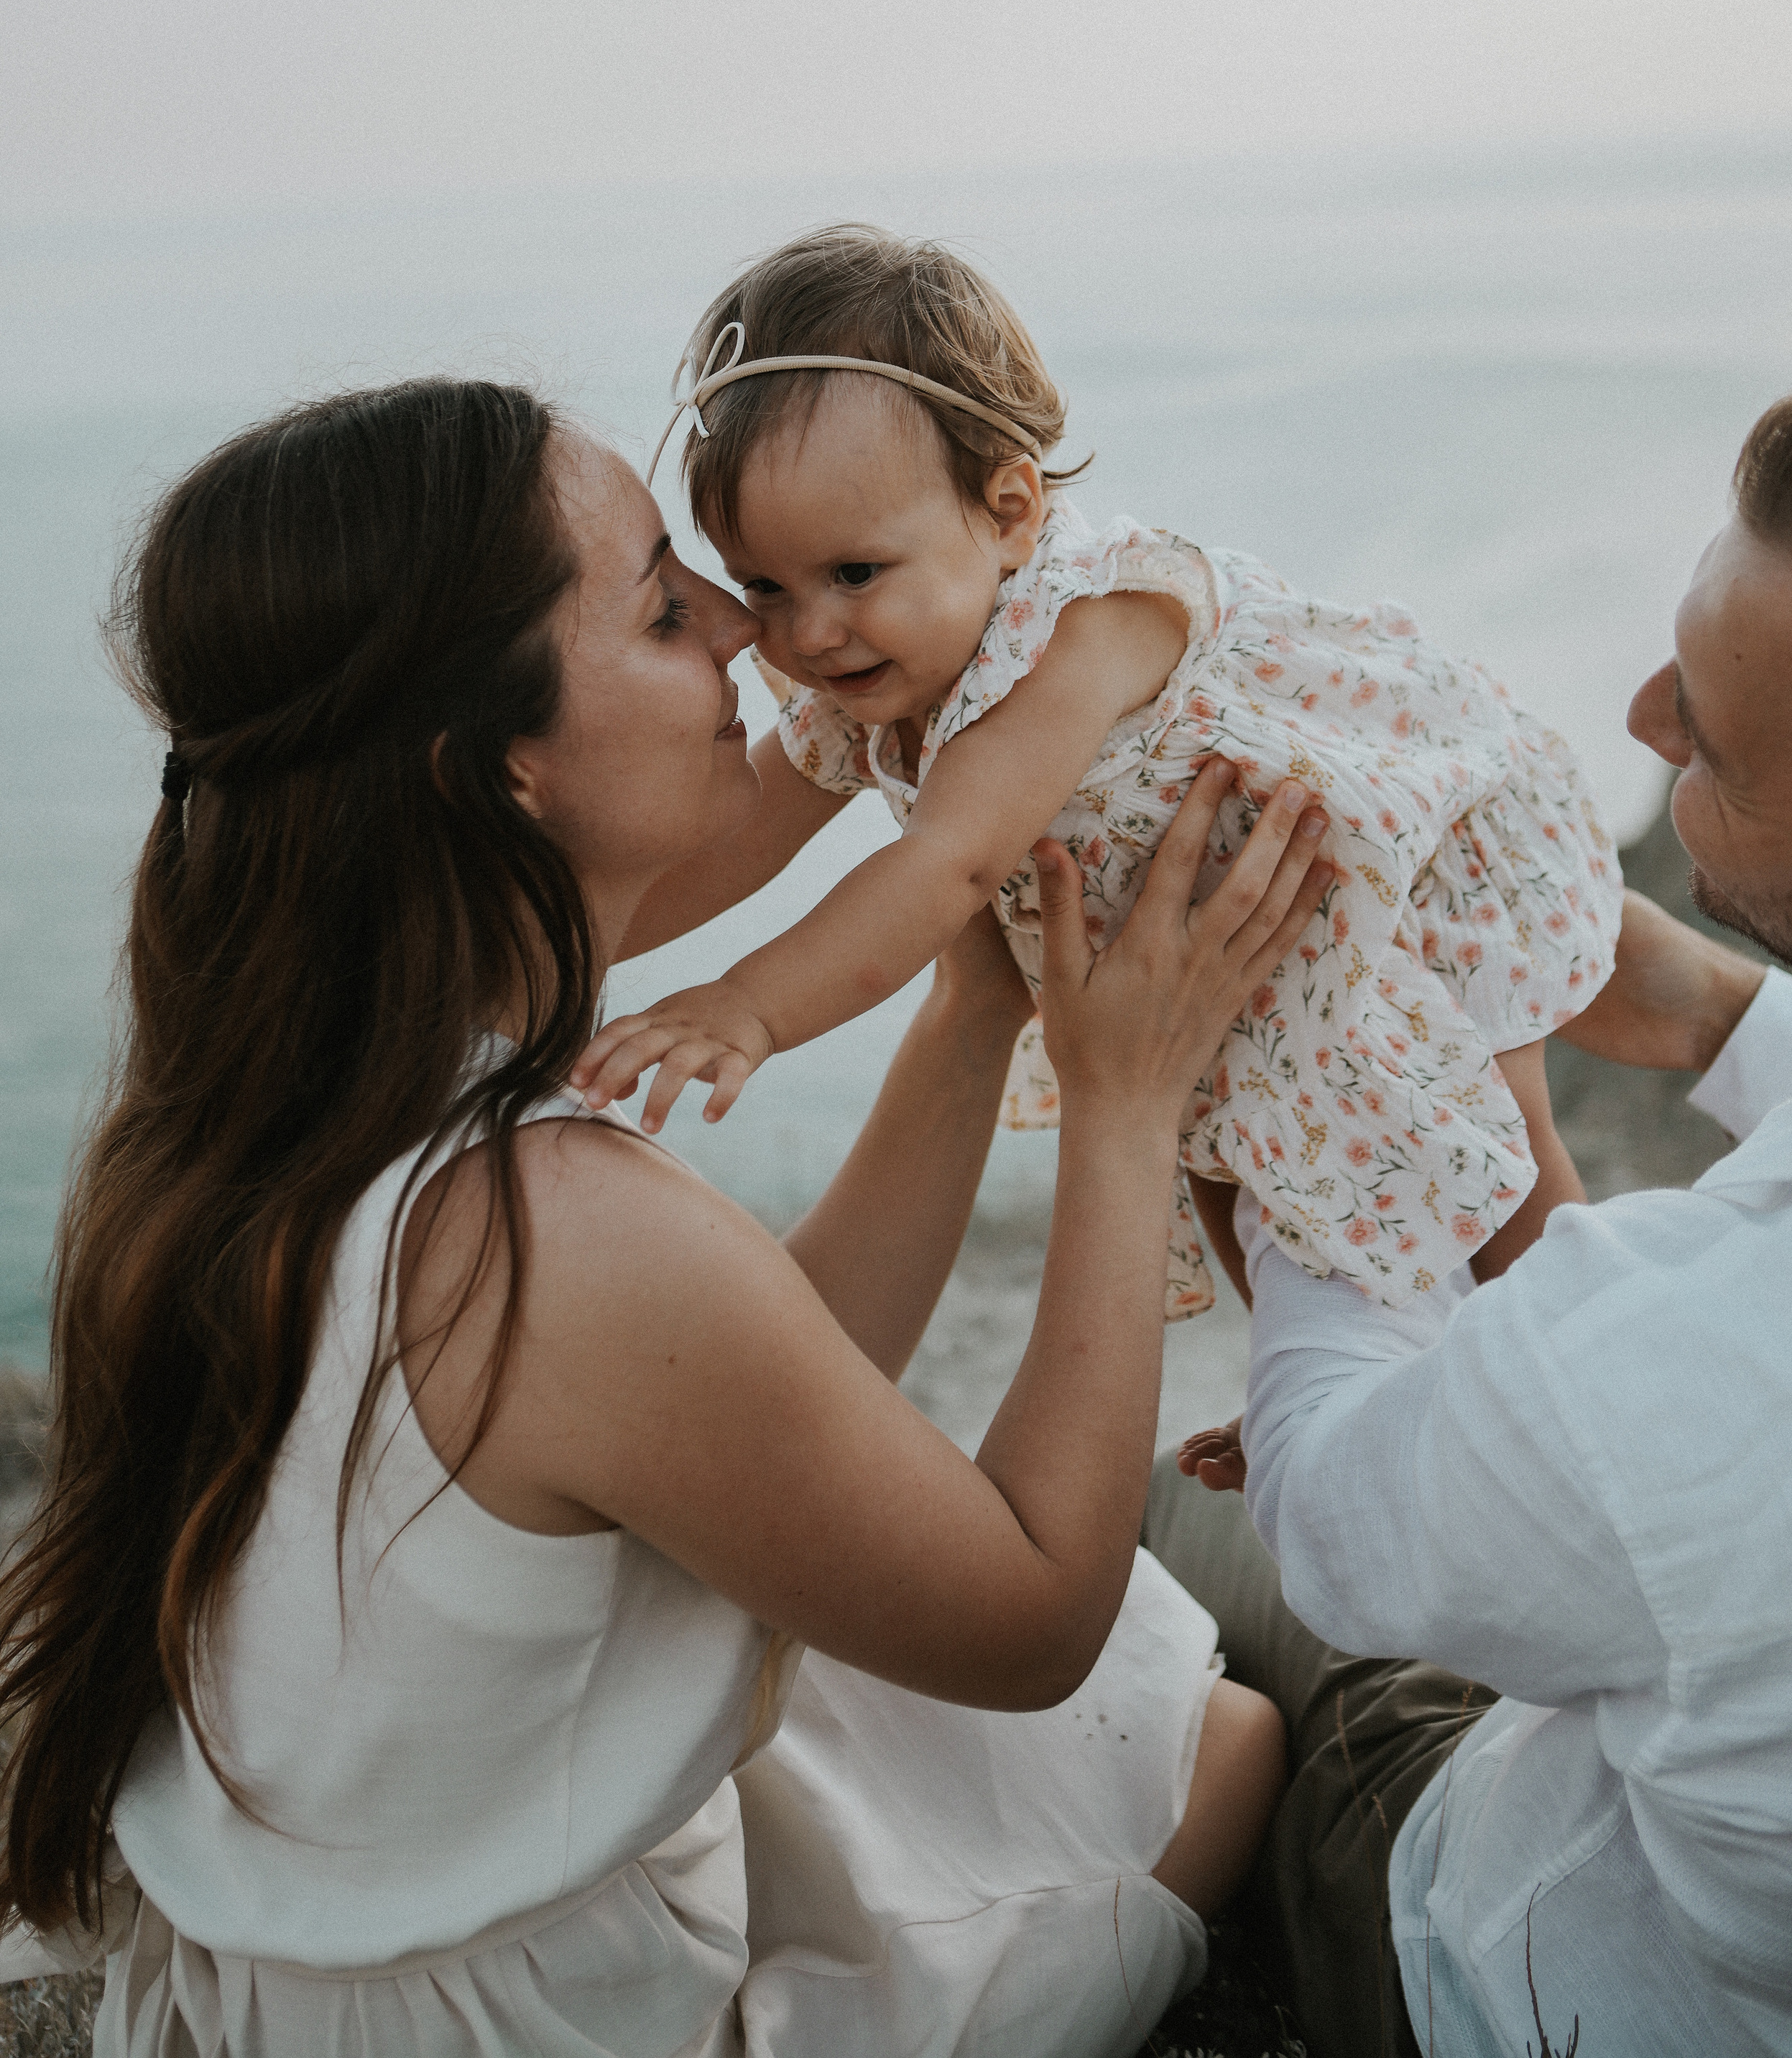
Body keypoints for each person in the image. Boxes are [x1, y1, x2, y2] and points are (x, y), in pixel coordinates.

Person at [0, 378, 1329, 2058]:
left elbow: (735, 1391)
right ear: (500, 771)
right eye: (658, 602)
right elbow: (1025, 1625)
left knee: (1023, 1702)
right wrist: (1128, 1097)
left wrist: (967, 1013)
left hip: (330, 1998)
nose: (742, 624)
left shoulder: (275, 1111)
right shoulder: (543, 1225)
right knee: (1215, 1742)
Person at [1150, 375, 1792, 2058]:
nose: (1637, 711)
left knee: (1171, 1510)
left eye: (1703, 731)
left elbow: (1329, 1510)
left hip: (1533, 1987)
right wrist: (1717, 1015)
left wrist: (1346, 1065)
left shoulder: (1713, 1360)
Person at [575, 224, 1620, 1316]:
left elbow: (951, 867)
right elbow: (737, 839)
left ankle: (1579, 1346)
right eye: (768, 587)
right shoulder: (882, 668)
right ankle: (1322, 1384)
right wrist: (544, 945)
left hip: (1393, 869)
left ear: (1010, 513)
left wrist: (748, 1007)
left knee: (1501, 1134)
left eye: (853, 572)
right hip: (1229, 951)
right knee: (1226, 1160)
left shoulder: (1080, 630)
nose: (813, 634)